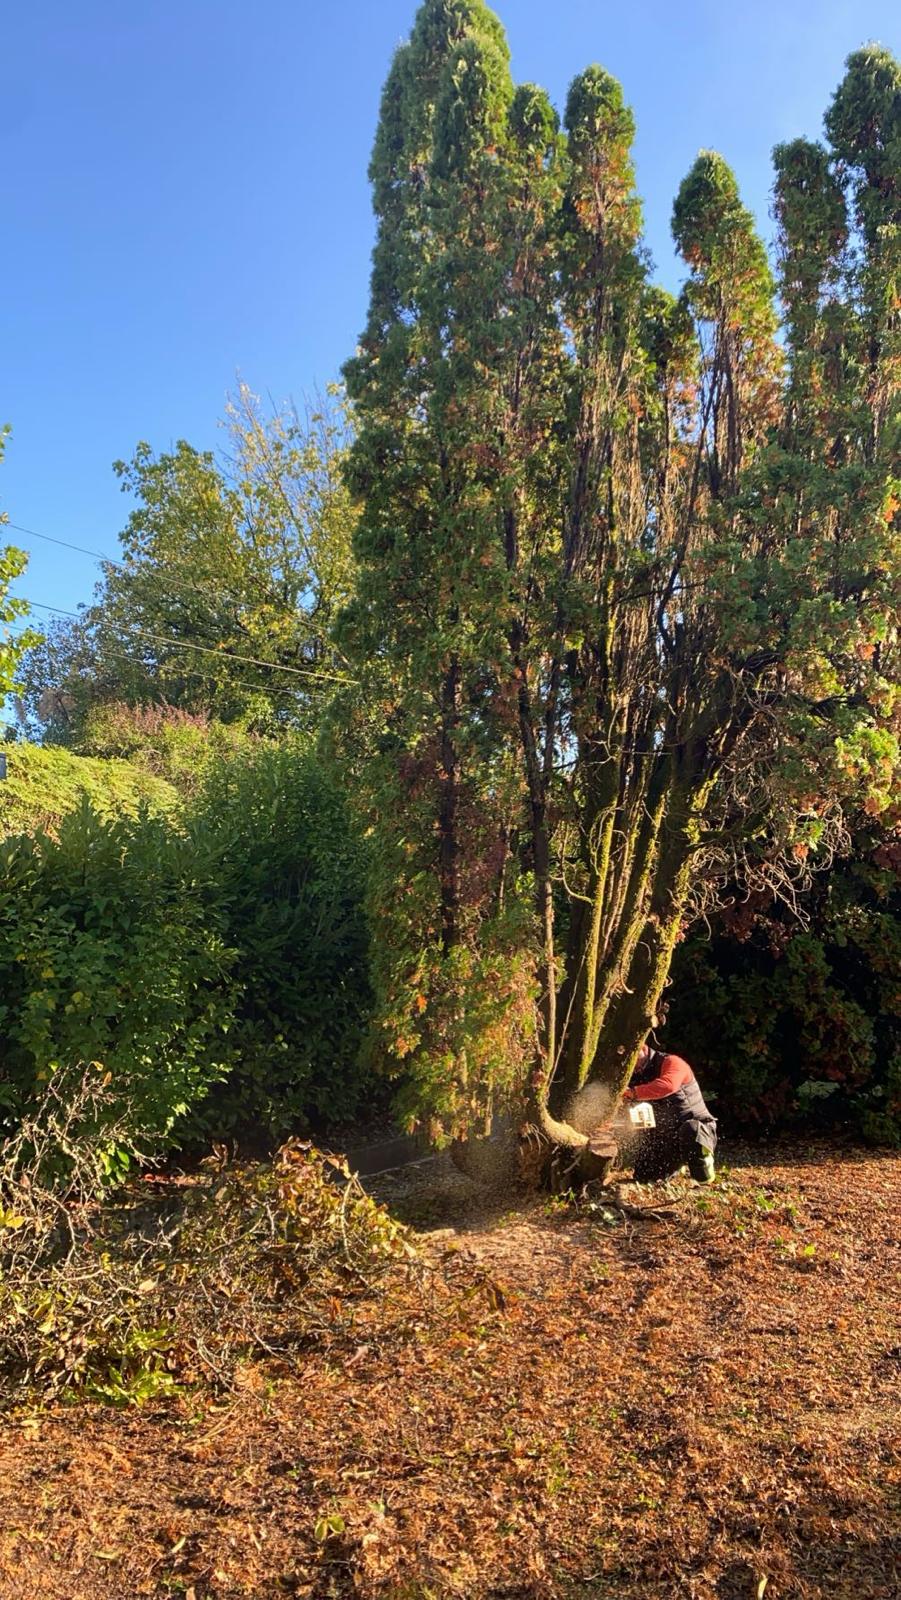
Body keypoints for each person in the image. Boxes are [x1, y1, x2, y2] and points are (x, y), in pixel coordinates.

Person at [623, 1042, 717, 1183]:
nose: (631, 1066)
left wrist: (632, 1093)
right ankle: (676, 1167)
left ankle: (704, 1170)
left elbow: (668, 1085)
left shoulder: (673, 1062)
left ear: (642, 1049)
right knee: (644, 1177)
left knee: (691, 1129)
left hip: (698, 1129)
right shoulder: (635, 1073)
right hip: (666, 1135)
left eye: (632, 1059)